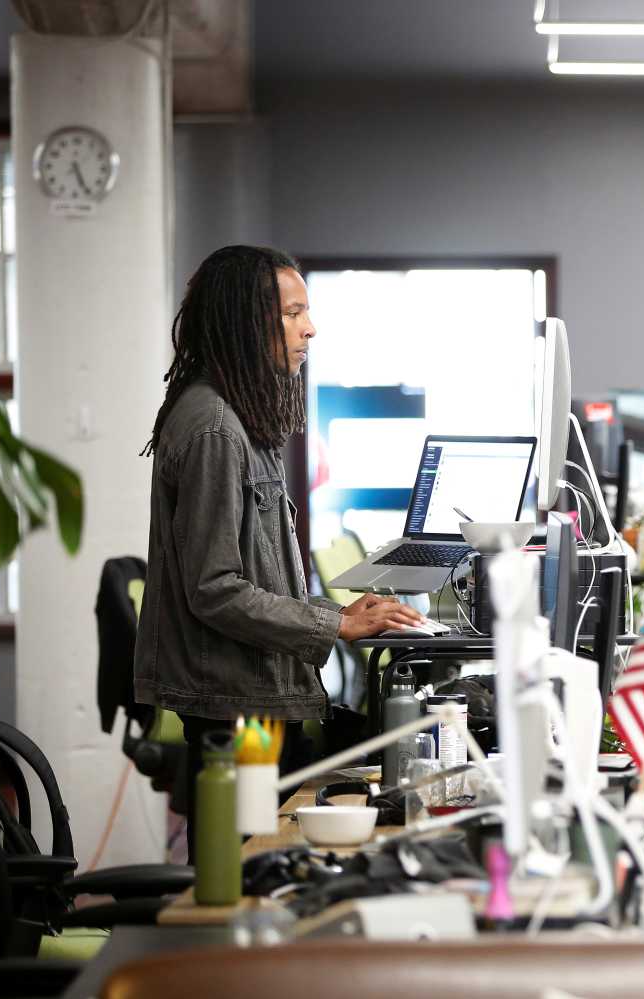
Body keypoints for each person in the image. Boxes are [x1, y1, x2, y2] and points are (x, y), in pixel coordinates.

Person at [133, 245, 424, 856]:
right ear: (246, 321)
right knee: (241, 868)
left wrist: (338, 614)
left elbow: (253, 575)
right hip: (235, 707)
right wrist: (334, 621)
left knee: (261, 855)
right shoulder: (215, 428)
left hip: (253, 696)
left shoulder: (240, 417)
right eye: (292, 313)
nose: (309, 327)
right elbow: (214, 588)